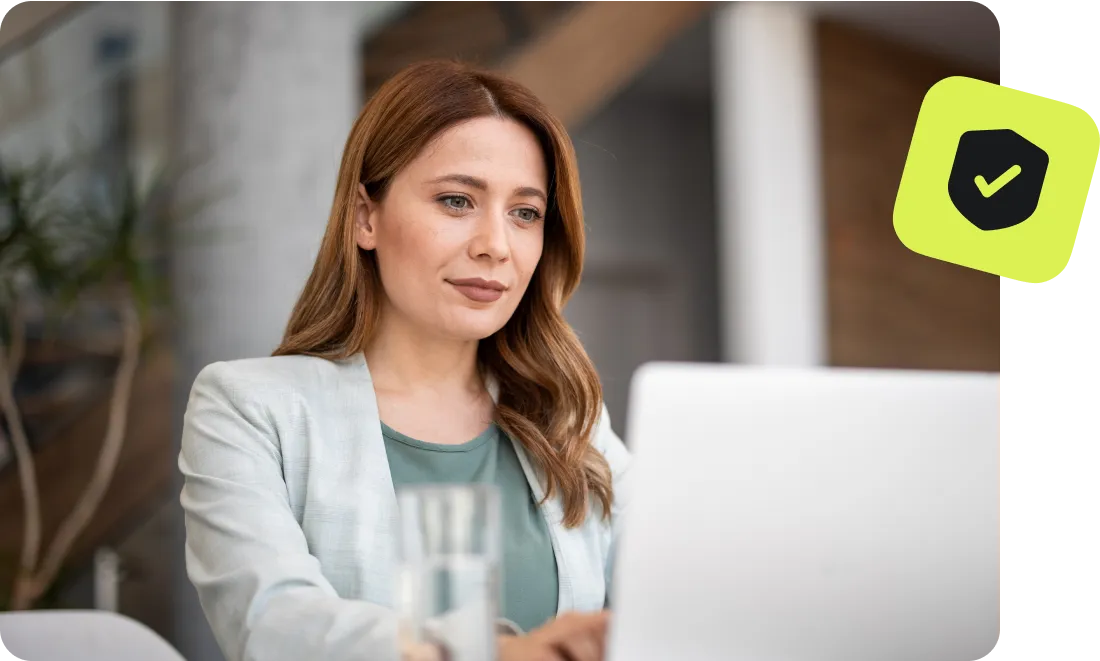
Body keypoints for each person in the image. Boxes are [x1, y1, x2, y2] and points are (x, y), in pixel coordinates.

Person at [178, 59, 632, 661]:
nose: (495, 245)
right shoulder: (249, 407)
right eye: (455, 201)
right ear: (366, 216)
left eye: (525, 213)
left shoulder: (569, 418)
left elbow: (678, 587)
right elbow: (272, 622)